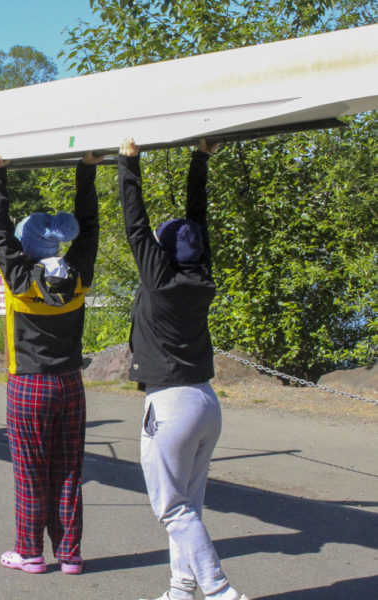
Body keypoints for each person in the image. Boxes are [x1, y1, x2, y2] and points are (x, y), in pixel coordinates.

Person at [118, 137, 250, 600]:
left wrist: (128, 163)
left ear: (163, 254)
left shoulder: (161, 282)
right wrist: (200, 159)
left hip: (171, 405)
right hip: (206, 404)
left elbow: (136, 224)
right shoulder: (201, 276)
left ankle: (218, 591)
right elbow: (199, 219)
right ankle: (181, 588)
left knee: (172, 508)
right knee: (189, 505)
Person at [0, 151, 101, 575]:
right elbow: (89, 230)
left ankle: (30, 552)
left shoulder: (18, 277)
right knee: (69, 470)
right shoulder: (78, 274)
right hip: (71, 382)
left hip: (29, 384)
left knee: (31, 471)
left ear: (24, 244)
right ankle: (70, 554)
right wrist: (86, 171)